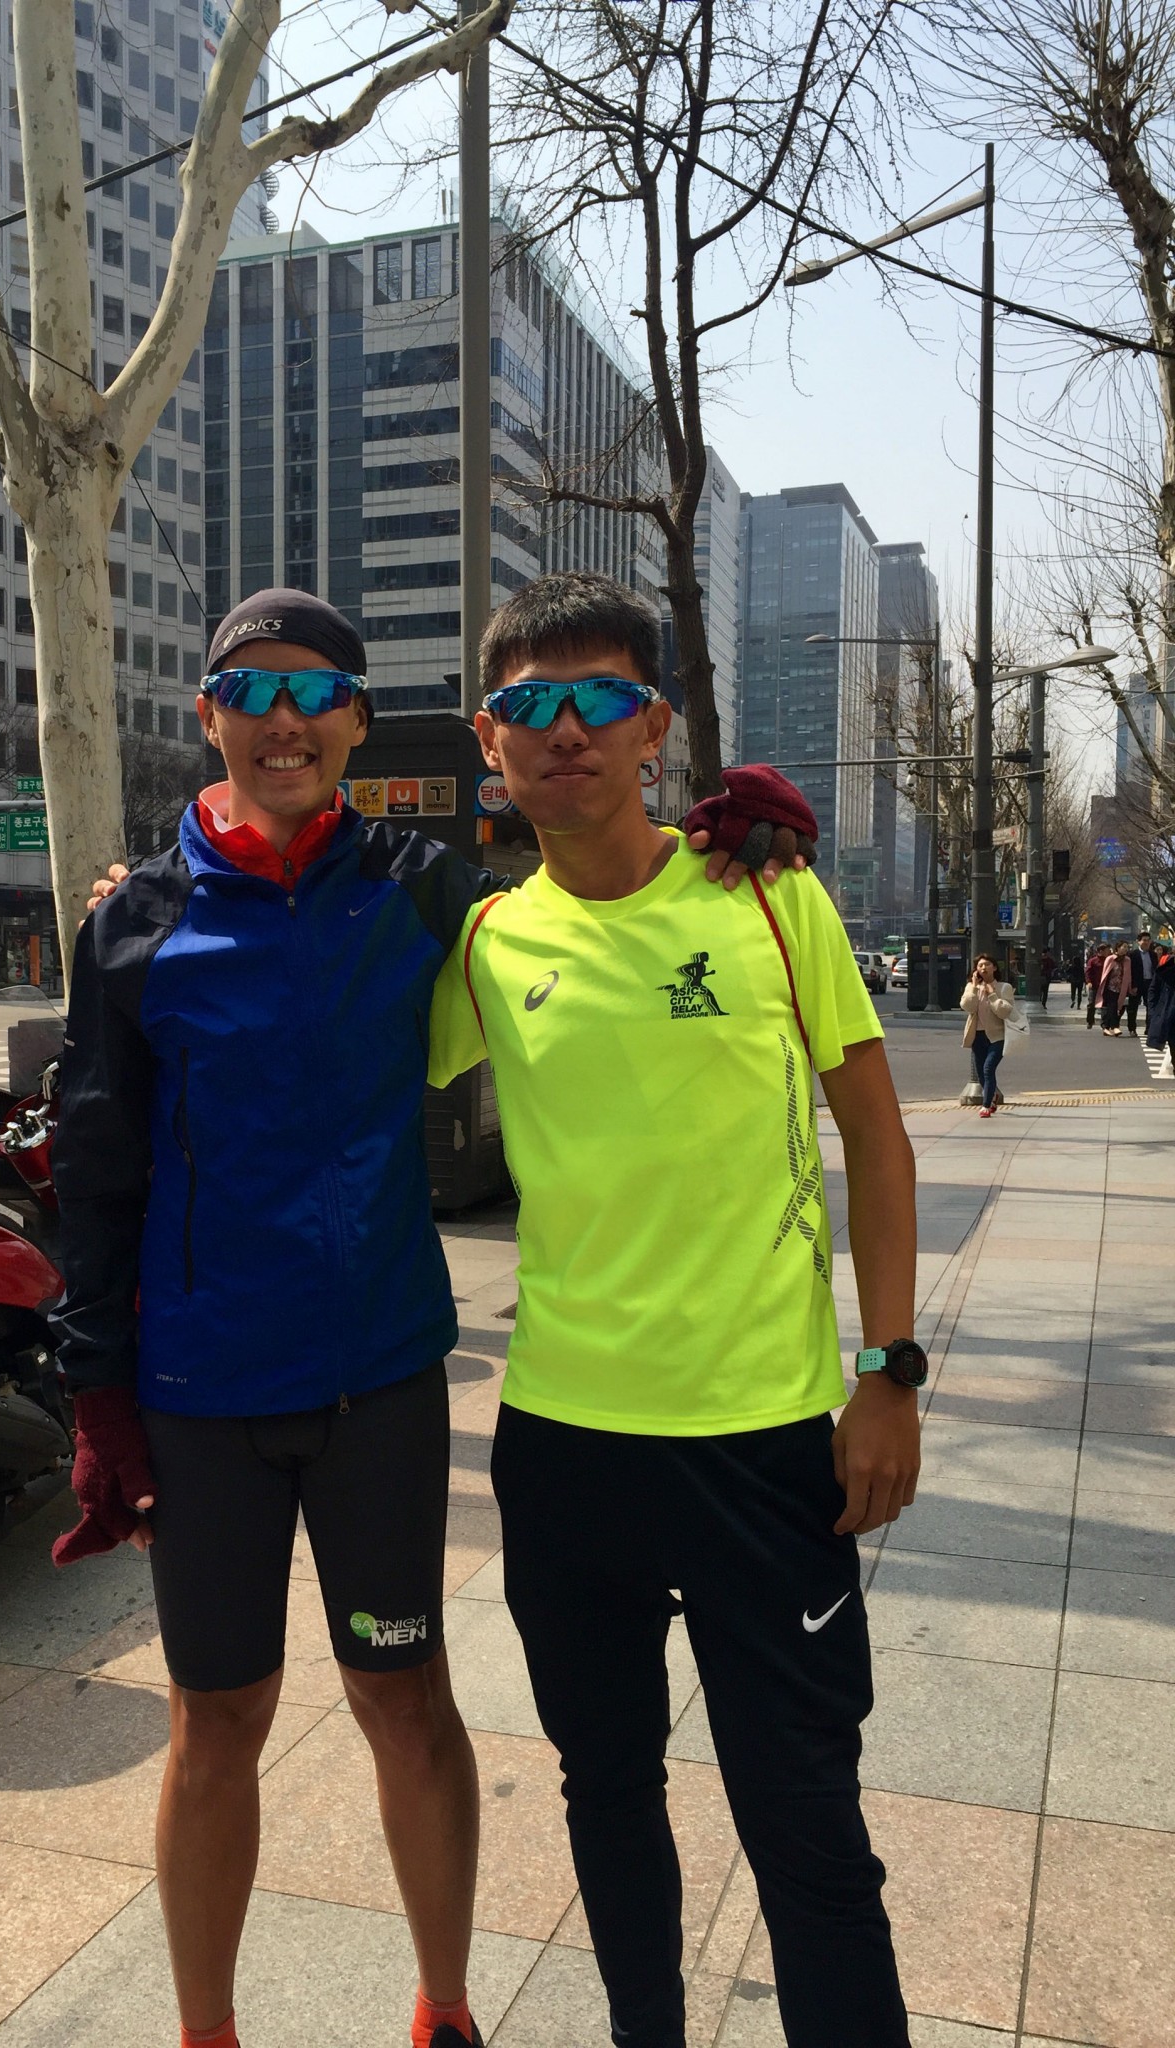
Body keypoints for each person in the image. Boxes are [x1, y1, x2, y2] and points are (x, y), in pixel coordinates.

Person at [49, 586, 814, 2048]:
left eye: (314, 693)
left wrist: (736, 834)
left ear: (357, 721)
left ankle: (444, 2009)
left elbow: (593, 890)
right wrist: (97, 1393)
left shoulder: (428, 895)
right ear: (207, 717)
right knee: (216, 1722)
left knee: (404, 1699)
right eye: (251, 691)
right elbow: (94, 1168)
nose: (283, 720)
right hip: (202, 1389)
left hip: (381, 1382)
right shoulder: (135, 921)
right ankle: (205, 2030)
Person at [429, 572, 922, 2048]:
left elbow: (877, 1135)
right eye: (529, 705)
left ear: (653, 726)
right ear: (488, 739)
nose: (564, 729)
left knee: (805, 1817)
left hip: (764, 1442)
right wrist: (148, 906)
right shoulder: (485, 944)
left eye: (599, 699)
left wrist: (889, 1371)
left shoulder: (766, 895)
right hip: (563, 1444)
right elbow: (321, 1041)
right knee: (607, 1791)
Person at [961, 953, 1013, 1117]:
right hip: (977, 1036)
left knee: (988, 1068)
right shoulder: (971, 987)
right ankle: (992, 1096)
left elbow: (1004, 1012)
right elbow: (967, 1007)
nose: (983, 968)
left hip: (998, 1036)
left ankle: (986, 1105)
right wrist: (974, 988)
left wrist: (992, 994)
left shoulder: (1004, 987)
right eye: (980, 965)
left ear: (994, 968)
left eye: (987, 964)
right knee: (981, 1071)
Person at [1127, 930, 1157, 1037]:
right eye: (1144, 940)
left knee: (1150, 1006)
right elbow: (1130, 971)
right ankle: (1132, 1028)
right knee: (1133, 1007)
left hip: (1150, 983)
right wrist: (1132, 985)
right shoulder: (1132, 955)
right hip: (1137, 984)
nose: (1146, 942)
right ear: (1138, 941)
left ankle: (1149, 1028)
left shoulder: (1153, 955)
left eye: (1148, 940)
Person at [1100, 940, 1132, 1036]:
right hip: (1111, 987)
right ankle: (1115, 1026)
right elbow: (1105, 973)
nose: (1125, 949)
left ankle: (1106, 1026)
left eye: (1127, 947)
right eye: (1124, 947)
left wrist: (1130, 987)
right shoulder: (1110, 959)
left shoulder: (1127, 960)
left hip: (1122, 988)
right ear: (1118, 948)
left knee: (1120, 1007)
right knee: (1113, 1006)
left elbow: (1129, 975)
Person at [1084, 943, 1106, 1029]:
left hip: (1105, 985)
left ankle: (1104, 1023)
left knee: (1104, 1005)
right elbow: (1088, 972)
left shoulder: (1108, 960)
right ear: (1100, 951)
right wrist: (1088, 982)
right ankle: (1090, 1021)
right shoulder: (1093, 961)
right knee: (1091, 1003)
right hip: (1094, 985)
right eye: (1105, 950)